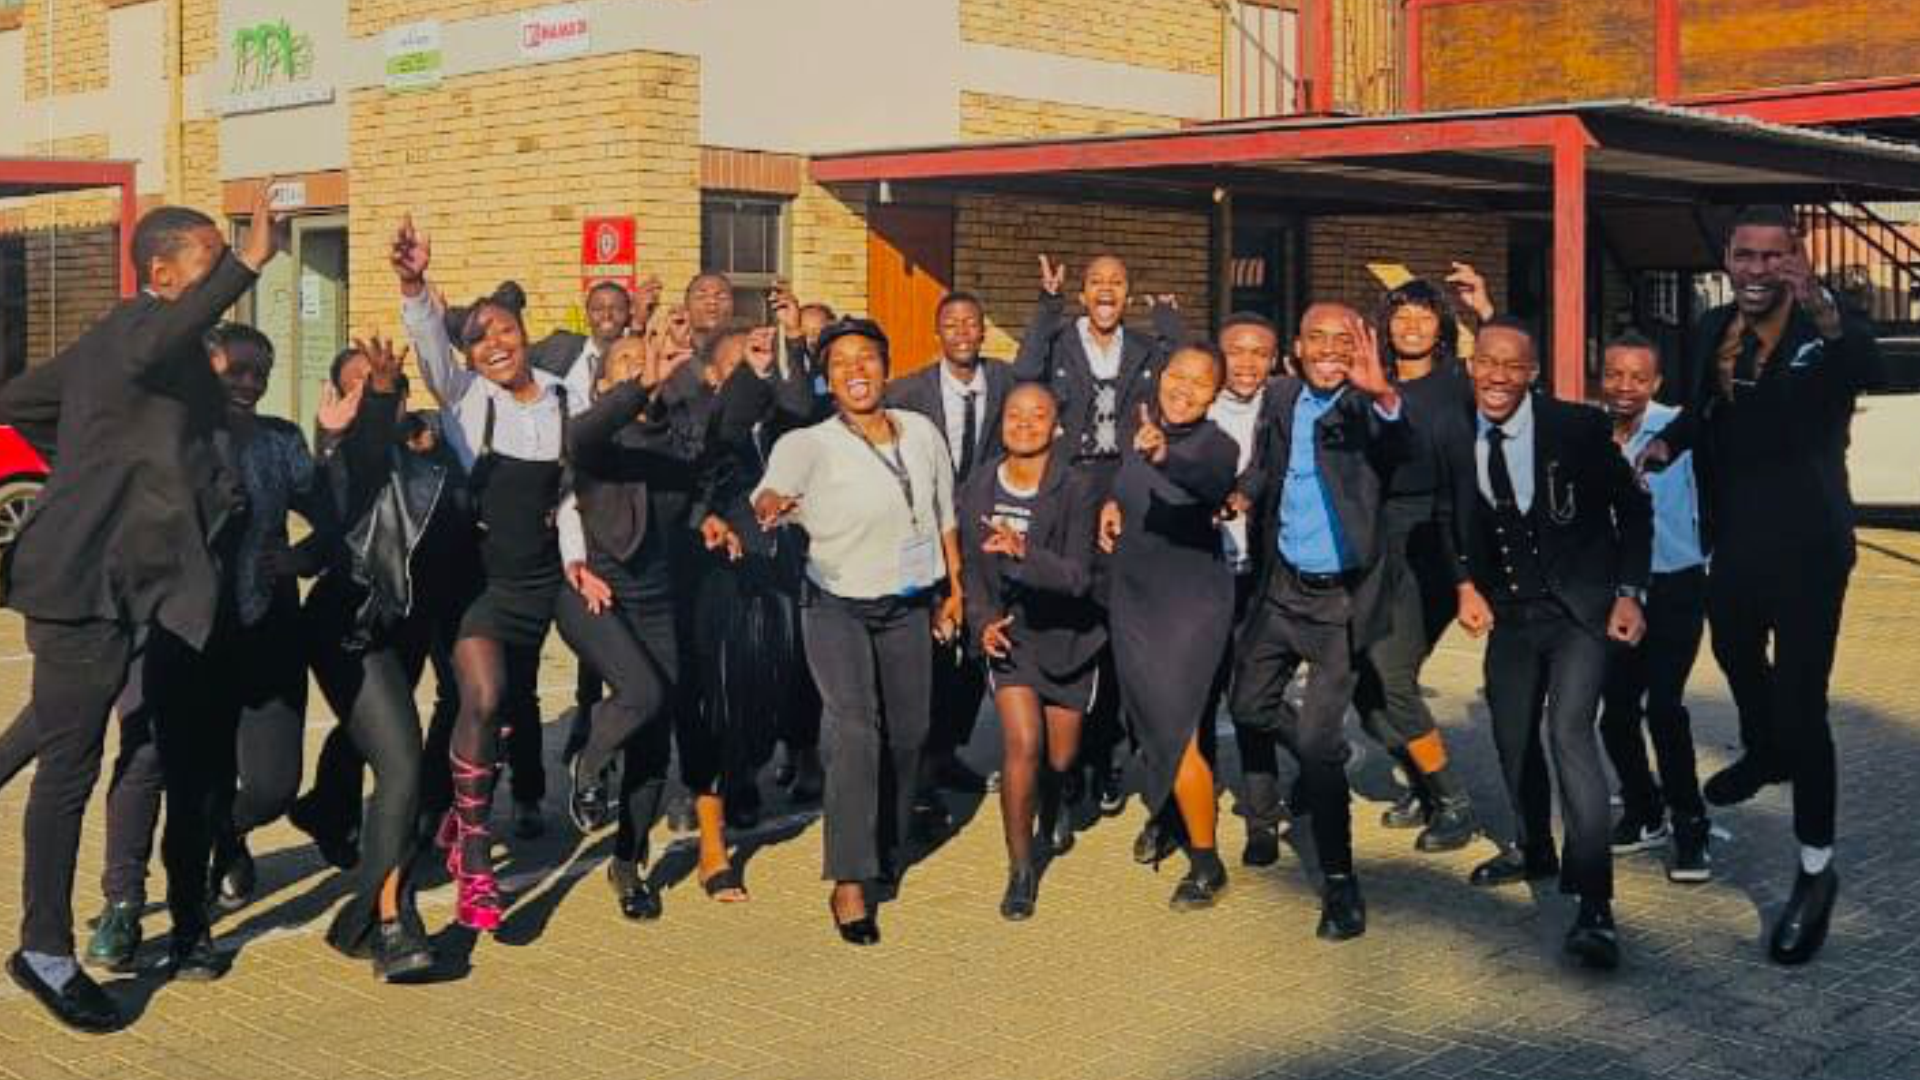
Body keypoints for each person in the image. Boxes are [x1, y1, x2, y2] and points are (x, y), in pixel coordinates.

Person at [0, 194, 280, 1032]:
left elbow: (18, 402)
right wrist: (251, 261)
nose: (212, 281)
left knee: (63, 725)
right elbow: (161, 337)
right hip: (83, 584)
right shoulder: (140, 331)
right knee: (70, 767)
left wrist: (97, 460)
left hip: (122, 582)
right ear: (162, 275)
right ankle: (44, 949)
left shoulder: (121, 348)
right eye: (203, 263)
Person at [392, 214, 669, 935]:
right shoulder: (464, 399)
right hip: (481, 586)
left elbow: (568, 492)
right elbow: (430, 345)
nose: (494, 345)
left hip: (553, 578)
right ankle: (475, 856)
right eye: (478, 338)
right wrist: (415, 285)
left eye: (503, 330)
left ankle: (589, 763)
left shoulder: (563, 395)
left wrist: (577, 560)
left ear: (523, 328)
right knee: (481, 699)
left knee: (640, 686)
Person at [1637, 205, 1881, 964]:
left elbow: (1866, 365)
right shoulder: (1712, 328)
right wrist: (1662, 445)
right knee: (1733, 646)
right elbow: (1701, 414)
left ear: (1795, 263)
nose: (1757, 269)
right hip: (1737, 543)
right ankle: (1766, 748)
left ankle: (1815, 874)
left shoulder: (1826, 333)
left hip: (1810, 549)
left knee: (1805, 711)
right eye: (1746, 255)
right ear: (1730, 261)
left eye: (1774, 257)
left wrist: (1825, 310)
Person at [79, 324, 337, 976]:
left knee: (273, 784)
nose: (249, 383)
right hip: (179, 631)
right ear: (206, 369)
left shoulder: (281, 442)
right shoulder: (172, 438)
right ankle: (168, 917)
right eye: (237, 370)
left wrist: (301, 555)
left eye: (261, 371)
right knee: (170, 774)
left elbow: (334, 513)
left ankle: (231, 833)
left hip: (266, 630)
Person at [1440, 318, 1651, 972]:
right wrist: (1463, 584)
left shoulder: (1575, 428)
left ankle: (1595, 907)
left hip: (1580, 609)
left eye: (1513, 366)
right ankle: (1534, 849)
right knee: (1509, 736)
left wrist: (1630, 591)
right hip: (1509, 615)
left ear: (1532, 372)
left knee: (1568, 734)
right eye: (1486, 363)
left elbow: (1635, 509)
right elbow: (1447, 514)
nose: (1497, 377)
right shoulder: (1455, 431)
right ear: (1472, 365)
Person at [751, 317, 964, 945]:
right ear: (827, 375)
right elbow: (769, 495)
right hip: (836, 602)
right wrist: (770, 510)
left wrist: (955, 590)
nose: (855, 371)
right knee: (852, 728)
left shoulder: (922, 432)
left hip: (907, 603)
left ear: (886, 365)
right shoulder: (808, 442)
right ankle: (849, 877)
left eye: (866, 358)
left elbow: (944, 514)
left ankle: (888, 844)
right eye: (840, 362)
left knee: (909, 732)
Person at [1225, 305, 1407, 940]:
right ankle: (1303, 757)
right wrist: (1244, 492)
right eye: (1317, 339)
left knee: (1317, 752)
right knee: (1247, 705)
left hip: (1339, 607)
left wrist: (1381, 393)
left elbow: (1396, 447)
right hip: (1280, 592)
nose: (1331, 350)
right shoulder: (1278, 397)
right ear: (1295, 349)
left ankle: (1339, 885)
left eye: (1343, 340)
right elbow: (1264, 463)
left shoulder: (1363, 407)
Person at [300, 331, 473, 980]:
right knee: (400, 766)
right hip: (349, 628)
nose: (381, 393)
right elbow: (361, 461)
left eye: (392, 384)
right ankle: (386, 920)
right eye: (362, 384)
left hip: (406, 627)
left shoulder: (432, 452)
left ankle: (327, 807)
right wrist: (359, 415)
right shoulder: (346, 456)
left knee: (385, 746)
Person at [568, 328, 737, 914]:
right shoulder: (595, 440)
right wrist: (635, 385)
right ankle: (588, 763)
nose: (644, 369)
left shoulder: (675, 437)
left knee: (655, 730)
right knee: (641, 696)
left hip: (658, 596)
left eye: (650, 362)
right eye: (627, 363)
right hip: (597, 594)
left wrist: (707, 519)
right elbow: (580, 435)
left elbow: (688, 493)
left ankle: (627, 861)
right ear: (605, 381)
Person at [1014, 253, 1183, 818]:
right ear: (1082, 293)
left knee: (1117, 622)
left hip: (1128, 480)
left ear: (1127, 293)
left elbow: (1184, 382)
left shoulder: (1146, 349)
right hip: (1070, 482)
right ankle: (1064, 757)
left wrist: (1172, 328)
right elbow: (1024, 373)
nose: (1106, 291)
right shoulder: (1059, 339)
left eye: (1117, 282)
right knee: (1071, 611)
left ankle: (1104, 756)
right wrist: (1045, 304)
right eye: (1096, 284)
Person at [1098, 344, 1241, 910]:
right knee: (1144, 719)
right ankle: (1169, 814)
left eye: (1200, 382)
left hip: (1189, 607)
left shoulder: (1216, 446)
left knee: (1176, 728)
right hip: (1133, 598)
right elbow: (1126, 482)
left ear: (1216, 393)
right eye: (1177, 375)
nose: (1184, 388)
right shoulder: (1143, 423)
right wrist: (1110, 505)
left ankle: (1207, 862)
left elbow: (1207, 482)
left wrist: (1162, 457)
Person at [960, 383, 1104, 920]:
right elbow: (973, 573)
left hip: (1068, 636)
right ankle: (1021, 869)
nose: (1024, 424)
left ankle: (1056, 797)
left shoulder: (1076, 487)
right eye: (1014, 415)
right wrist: (980, 625)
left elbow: (1077, 578)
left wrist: (1024, 552)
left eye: (1037, 415)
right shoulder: (976, 487)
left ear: (1055, 425)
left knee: (1058, 757)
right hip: (1013, 636)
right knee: (1022, 745)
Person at [1359, 276, 1484, 852]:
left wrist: (1484, 311)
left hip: (1432, 542)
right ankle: (1419, 778)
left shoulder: (1457, 382)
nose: (1410, 327)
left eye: (1424, 317)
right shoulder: (1367, 386)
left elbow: (1509, 368)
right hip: (1372, 539)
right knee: (1365, 691)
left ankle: (1452, 799)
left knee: (1394, 677)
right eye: (1401, 316)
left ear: (1442, 327)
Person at [886, 291, 1016, 817]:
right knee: (927, 646)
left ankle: (944, 753)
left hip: (982, 535)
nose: (962, 332)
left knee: (972, 649)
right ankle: (912, 773)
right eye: (951, 324)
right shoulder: (907, 392)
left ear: (983, 331)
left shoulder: (1007, 381)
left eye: (971, 323)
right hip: (921, 536)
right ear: (938, 333)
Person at [1598, 333, 1712, 883]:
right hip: (1619, 594)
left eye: (1638, 378)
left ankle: (1692, 827)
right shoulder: (1590, 434)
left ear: (1656, 383)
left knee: (1664, 709)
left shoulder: (1679, 429)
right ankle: (1645, 813)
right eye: (1615, 374)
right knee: (1615, 714)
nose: (1625, 388)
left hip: (1677, 586)